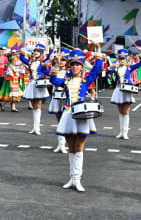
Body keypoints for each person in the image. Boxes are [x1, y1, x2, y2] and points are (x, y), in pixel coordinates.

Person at [50, 43, 102, 192]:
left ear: (82, 67)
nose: (74, 67)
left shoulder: (86, 81)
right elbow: (53, 80)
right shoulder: (65, 81)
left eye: (78, 65)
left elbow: (97, 69)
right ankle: (71, 178)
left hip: (81, 115)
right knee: (71, 147)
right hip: (68, 114)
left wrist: (98, 50)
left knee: (79, 147)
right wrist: (55, 63)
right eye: (72, 64)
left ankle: (77, 180)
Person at [108, 48, 141, 139]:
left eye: (124, 58)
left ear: (127, 59)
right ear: (118, 59)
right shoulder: (116, 67)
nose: (122, 60)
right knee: (120, 112)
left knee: (126, 111)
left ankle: (125, 133)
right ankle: (120, 132)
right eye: (120, 59)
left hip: (127, 90)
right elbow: (108, 72)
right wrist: (111, 67)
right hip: (118, 90)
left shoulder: (129, 67)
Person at [20, 42, 53, 135]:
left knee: (38, 106)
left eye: (38, 51)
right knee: (34, 106)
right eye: (35, 51)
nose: (35, 52)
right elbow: (22, 58)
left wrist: (50, 45)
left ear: (41, 54)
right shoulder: (30, 62)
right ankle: (34, 127)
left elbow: (50, 55)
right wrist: (24, 48)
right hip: (32, 84)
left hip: (39, 84)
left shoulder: (42, 63)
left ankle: (37, 128)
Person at [46, 48, 70, 153]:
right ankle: (60, 145)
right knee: (59, 122)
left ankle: (66, 144)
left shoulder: (69, 71)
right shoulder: (54, 69)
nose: (61, 62)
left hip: (66, 99)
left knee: (66, 121)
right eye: (60, 60)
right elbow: (44, 70)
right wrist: (54, 61)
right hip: (56, 97)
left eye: (63, 60)